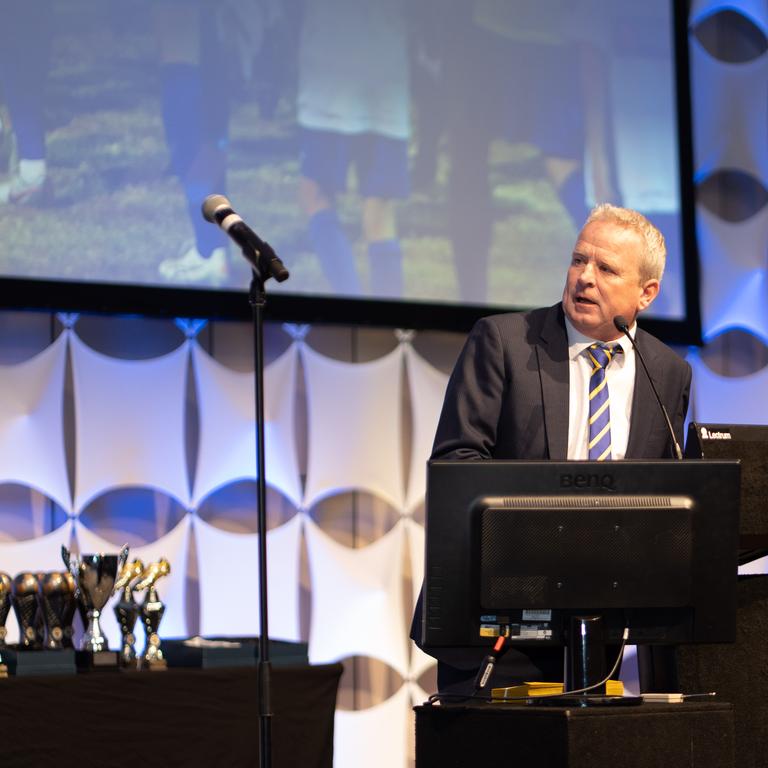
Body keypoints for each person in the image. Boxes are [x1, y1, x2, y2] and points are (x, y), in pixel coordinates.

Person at [411, 203, 692, 695]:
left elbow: (662, 494)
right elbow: (456, 464)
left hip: (598, 633)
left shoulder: (666, 371)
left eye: (606, 268)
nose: (585, 278)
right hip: (500, 623)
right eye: (579, 260)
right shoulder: (504, 343)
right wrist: (550, 541)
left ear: (646, 292)